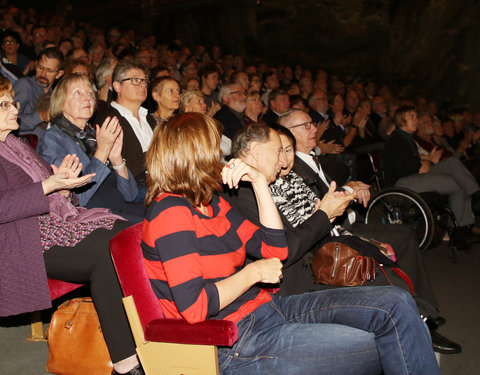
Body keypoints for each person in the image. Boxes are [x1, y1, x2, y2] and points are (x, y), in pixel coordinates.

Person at [142, 112, 440, 374]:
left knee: (396, 304)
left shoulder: (212, 203)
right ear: (193, 156)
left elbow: (276, 249)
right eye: (213, 149)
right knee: (374, 342)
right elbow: (194, 307)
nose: (222, 158)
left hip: (268, 309)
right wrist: (254, 273)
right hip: (235, 340)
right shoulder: (171, 211)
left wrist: (259, 183)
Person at [0, 75, 144, 375]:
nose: (15, 109)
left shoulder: (15, 144)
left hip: (49, 223)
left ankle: (146, 333)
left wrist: (62, 184)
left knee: (127, 235)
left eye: (12, 101)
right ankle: (125, 360)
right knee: (106, 252)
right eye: (4, 104)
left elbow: (46, 187)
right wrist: (48, 186)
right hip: (20, 240)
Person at [37, 74, 142, 220]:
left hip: (121, 206)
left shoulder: (94, 134)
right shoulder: (54, 139)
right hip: (92, 216)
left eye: (90, 93)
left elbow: (130, 195)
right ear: (60, 102)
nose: (87, 98)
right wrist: (102, 151)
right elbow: (77, 200)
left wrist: (116, 159)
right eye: (77, 93)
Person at [383, 105, 480, 236]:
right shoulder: (396, 140)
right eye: (411, 117)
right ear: (401, 121)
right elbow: (402, 169)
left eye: (416, 117)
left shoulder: (407, 139)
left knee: (452, 163)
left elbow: (413, 163)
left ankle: (475, 195)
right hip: (403, 182)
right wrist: (425, 163)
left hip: (415, 176)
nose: (416, 120)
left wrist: (425, 162)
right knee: (456, 183)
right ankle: (460, 227)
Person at [93, 60, 156, 196]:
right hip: (132, 190)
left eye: (144, 81)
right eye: (135, 80)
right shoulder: (108, 119)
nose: (142, 85)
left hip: (159, 184)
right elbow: (118, 166)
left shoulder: (149, 119)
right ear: (117, 86)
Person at [13, 47, 64, 137]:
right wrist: (40, 116)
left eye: (49, 70)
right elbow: (9, 120)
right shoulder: (24, 85)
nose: (43, 74)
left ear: (59, 74)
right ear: (36, 65)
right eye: (41, 67)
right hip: (22, 144)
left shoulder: (55, 95)